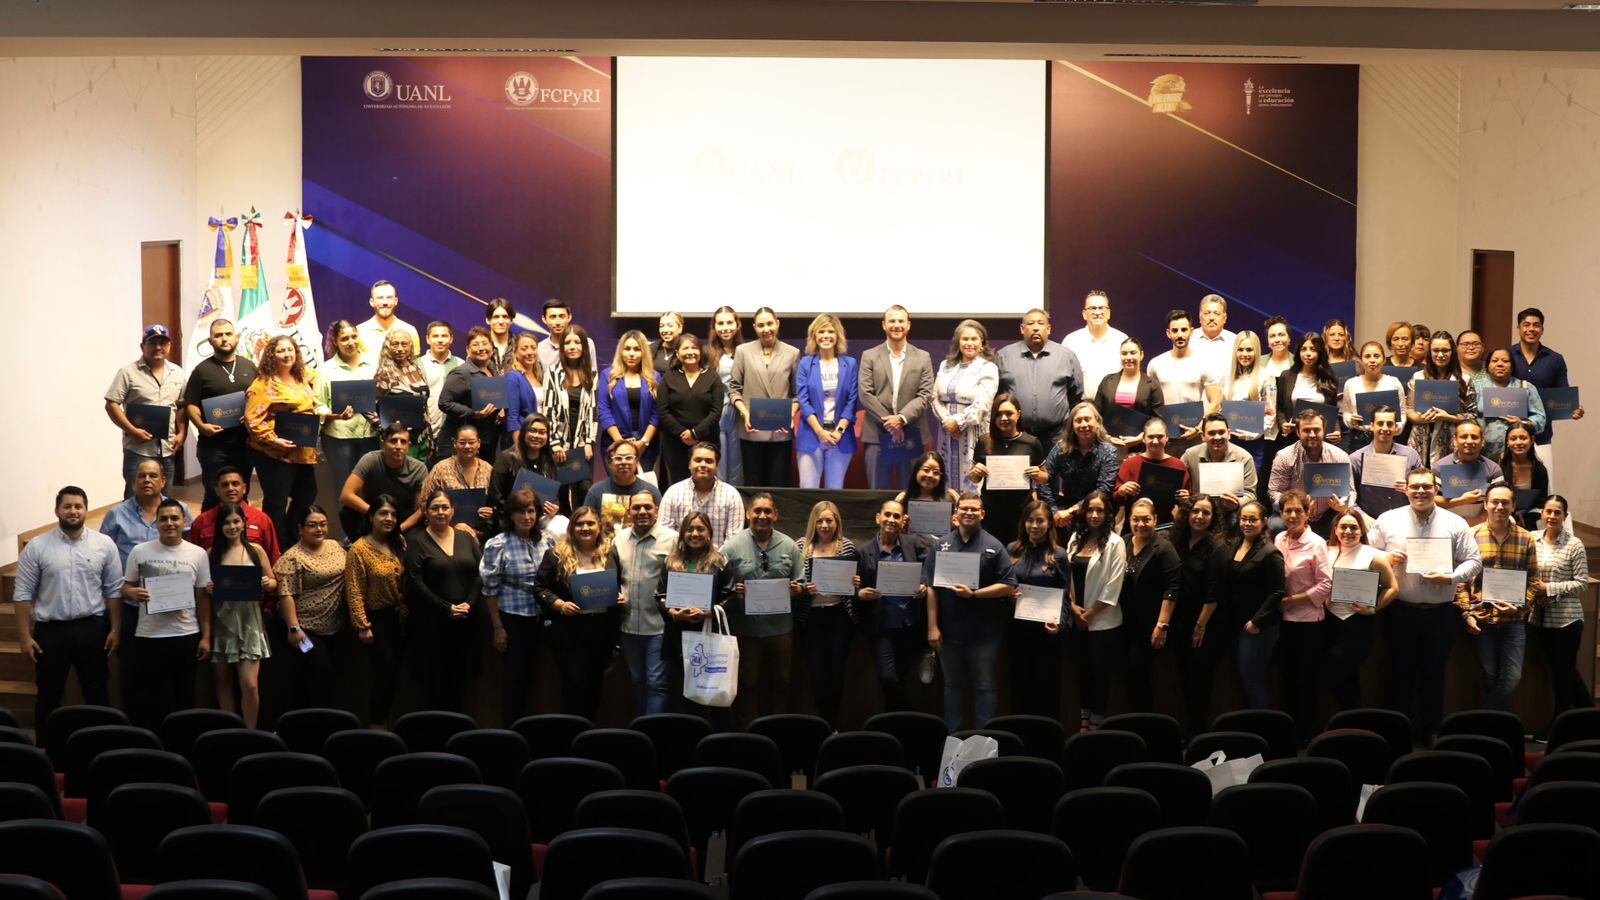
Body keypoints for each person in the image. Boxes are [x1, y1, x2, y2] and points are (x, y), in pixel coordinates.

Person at [1369, 468, 1482, 739]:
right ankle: (1399, 734)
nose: (1421, 491)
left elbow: (1474, 561)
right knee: (1399, 674)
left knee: (1434, 675)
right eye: (1415, 486)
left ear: (1436, 490)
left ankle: (1432, 731)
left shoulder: (1455, 523)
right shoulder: (1388, 520)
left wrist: (1452, 577)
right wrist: (1384, 557)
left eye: (1426, 487)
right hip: (1400, 611)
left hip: (1439, 613)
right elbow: (1366, 552)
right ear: (1405, 489)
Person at [13, 486, 123, 736]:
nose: (73, 511)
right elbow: (22, 594)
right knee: (49, 696)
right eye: (67, 506)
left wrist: (116, 628)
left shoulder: (104, 544)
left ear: (86, 509)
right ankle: (48, 756)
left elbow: (114, 590)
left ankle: (100, 748)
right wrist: (23, 636)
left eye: (78, 506)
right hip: (51, 632)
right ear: (57, 511)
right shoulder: (37, 547)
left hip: (93, 629)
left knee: (97, 693)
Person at [924, 492, 1018, 731]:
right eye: (964, 509)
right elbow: (932, 588)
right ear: (955, 514)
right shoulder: (941, 545)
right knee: (952, 685)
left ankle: (983, 741)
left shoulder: (994, 546)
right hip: (949, 632)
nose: (968, 512)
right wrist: (932, 626)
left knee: (985, 686)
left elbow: (1008, 585)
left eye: (974, 509)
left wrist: (975, 594)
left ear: (982, 514)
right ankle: (954, 741)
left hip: (985, 634)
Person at [100, 458, 192, 700]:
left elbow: (190, 550)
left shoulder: (178, 510)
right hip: (131, 606)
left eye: (153, 476)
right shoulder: (117, 514)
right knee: (133, 674)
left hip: (173, 607)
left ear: (163, 481)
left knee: (175, 677)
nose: (147, 480)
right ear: (133, 481)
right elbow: (103, 556)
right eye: (142, 476)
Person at [121, 498, 212, 730]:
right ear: (157, 523)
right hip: (149, 636)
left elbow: (202, 597)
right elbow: (124, 588)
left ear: (184, 522)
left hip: (186, 634)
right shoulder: (140, 552)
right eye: (163, 519)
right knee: (152, 697)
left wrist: (206, 636)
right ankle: (155, 746)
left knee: (185, 695)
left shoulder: (198, 554)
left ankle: (183, 746)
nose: (169, 523)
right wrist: (134, 593)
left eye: (174, 518)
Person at [720, 493, 804, 726]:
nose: (762, 516)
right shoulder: (732, 546)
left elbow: (802, 582)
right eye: (757, 511)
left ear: (775, 515)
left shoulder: (789, 545)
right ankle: (749, 731)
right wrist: (732, 590)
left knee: (781, 681)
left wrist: (797, 590)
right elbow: (720, 584)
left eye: (768, 511)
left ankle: (777, 727)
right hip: (746, 630)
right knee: (748, 683)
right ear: (748, 514)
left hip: (781, 630)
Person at [536, 506, 625, 720]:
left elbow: (619, 582)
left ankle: (587, 738)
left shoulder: (610, 552)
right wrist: (560, 604)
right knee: (574, 685)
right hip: (569, 633)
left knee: (595, 686)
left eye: (590, 523)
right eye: (580, 524)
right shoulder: (556, 554)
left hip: (601, 633)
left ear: (599, 527)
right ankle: (570, 737)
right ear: (572, 528)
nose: (585, 528)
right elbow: (539, 588)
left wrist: (620, 596)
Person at [1456, 484, 1537, 712]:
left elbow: (1533, 580)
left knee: (1512, 677)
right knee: (1490, 675)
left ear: (1513, 506)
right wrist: (1466, 612)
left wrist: (1520, 609)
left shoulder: (1526, 539)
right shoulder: (1472, 536)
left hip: (1514, 621)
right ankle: (1496, 726)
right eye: (1495, 502)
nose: (1499, 506)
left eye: (1505, 502)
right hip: (1482, 620)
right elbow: (1461, 580)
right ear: (1486, 504)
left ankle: (1482, 718)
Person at [481, 487, 556, 725]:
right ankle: (511, 732)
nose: (527, 517)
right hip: (513, 619)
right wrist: (498, 628)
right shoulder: (498, 544)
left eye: (531, 511)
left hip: (543, 619)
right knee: (514, 680)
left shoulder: (548, 540)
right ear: (510, 515)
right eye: (521, 512)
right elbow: (490, 589)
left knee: (538, 679)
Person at [406, 490, 484, 713]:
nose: (441, 512)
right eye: (435, 508)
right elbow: (414, 581)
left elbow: (481, 573)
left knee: (461, 681)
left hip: (466, 621)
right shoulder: (416, 540)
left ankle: (458, 735)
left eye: (445, 507)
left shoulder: (466, 537)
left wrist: (470, 602)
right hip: (432, 624)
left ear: (453, 511)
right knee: (435, 683)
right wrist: (446, 607)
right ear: (426, 512)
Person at [658, 511, 739, 726]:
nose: (695, 533)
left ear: (709, 533)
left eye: (700, 529)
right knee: (681, 695)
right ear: (683, 533)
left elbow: (731, 598)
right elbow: (660, 596)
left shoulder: (720, 562)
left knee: (709, 697)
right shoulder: (670, 562)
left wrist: (709, 612)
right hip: (678, 639)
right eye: (690, 529)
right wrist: (673, 612)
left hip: (708, 637)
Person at [246, 335, 322, 550]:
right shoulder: (262, 384)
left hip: (302, 452)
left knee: (307, 495)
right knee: (276, 503)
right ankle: (276, 548)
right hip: (275, 455)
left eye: (290, 350)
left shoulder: (302, 378)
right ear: (271, 354)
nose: (286, 354)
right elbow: (253, 421)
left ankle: (291, 538)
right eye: (280, 350)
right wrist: (274, 440)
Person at [855, 499, 929, 713]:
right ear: (878, 517)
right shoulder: (864, 551)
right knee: (888, 677)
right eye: (887, 514)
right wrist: (859, 593)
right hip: (881, 626)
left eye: (896, 516)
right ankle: (908, 715)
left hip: (909, 624)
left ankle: (893, 725)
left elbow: (929, 569)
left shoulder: (914, 544)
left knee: (902, 677)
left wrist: (924, 584)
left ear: (903, 521)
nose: (891, 519)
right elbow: (852, 585)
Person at [207, 501, 275, 729]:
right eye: (227, 522)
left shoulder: (256, 551)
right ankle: (230, 731)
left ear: (244, 523)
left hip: (250, 623)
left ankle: (251, 731)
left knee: (250, 685)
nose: (232, 526)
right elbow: (202, 590)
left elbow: (275, 582)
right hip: (221, 623)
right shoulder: (212, 554)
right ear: (220, 526)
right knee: (223, 683)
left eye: (236, 521)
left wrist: (268, 583)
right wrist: (209, 589)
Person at [1212, 500, 1285, 710]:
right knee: (1242, 679)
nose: (1247, 523)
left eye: (1253, 519)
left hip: (1258, 627)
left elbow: (1277, 592)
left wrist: (1256, 621)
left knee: (1253, 680)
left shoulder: (1270, 552)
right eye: (1244, 518)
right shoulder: (1235, 544)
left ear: (1264, 522)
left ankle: (1262, 729)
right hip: (1236, 623)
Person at [1530, 495, 1592, 738]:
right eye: (1548, 511)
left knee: (1562, 676)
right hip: (1540, 617)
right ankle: (1589, 716)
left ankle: (1559, 728)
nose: (1552, 516)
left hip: (1566, 619)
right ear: (1542, 514)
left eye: (1558, 512)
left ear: (1565, 517)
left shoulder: (1574, 544)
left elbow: (1581, 583)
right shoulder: (1533, 539)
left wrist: (1550, 589)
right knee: (1565, 672)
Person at [1324, 511, 1399, 711]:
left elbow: (1393, 588)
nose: (1348, 531)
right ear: (1335, 530)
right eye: (1343, 527)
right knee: (1348, 677)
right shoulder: (1326, 551)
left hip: (1358, 625)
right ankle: (1356, 725)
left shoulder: (1373, 555)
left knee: (1335, 677)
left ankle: (1356, 719)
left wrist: (1373, 609)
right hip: (1329, 622)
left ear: (1361, 530)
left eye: (1354, 527)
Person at [1064, 491, 1126, 731]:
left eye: (1100, 510)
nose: (1095, 515)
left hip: (1103, 622)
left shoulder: (1115, 542)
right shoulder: (1074, 539)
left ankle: (1097, 723)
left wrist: (1088, 614)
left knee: (1100, 675)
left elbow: (1114, 585)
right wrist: (1072, 608)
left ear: (1107, 513)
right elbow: (1065, 575)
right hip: (1075, 618)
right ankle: (1083, 719)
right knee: (1082, 672)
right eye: (1091, 510)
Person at [274, 506, 347, 711]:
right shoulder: (293, 557)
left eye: (323, 524)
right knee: (321, 672)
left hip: (335, 627)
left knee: (321, 678)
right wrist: (294, 628)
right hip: (306, 631)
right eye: (312, 525)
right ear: (300, 529)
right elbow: (285, 593)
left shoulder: (334, 546)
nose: (319, 529)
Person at [1274, 489, 1332, 741]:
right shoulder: (1278, 539)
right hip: (1283, 622)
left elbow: (1327, 584)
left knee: (1306, 679)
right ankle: (1291, 731)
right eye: (1288, 510)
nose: (1293, 515)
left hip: (1309, 621)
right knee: (1287, 676)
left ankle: (1307, 733)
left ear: (1307, 513)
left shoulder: (1316, 543)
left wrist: (1291, 601)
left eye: (1298, 510)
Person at [859, 305, 936, 491]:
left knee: (910, 491)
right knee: (877, 493)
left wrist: (901, 419)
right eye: (892, 321)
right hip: (878, 434)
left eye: (900, 321)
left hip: (911, 433)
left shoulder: (923, 357)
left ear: (908, 325)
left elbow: (925, 394)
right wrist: (890, 423)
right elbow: (865, 393)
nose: (896, 325)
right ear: (884, 325)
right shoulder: (869, 356)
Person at [183, 318, 258, 510]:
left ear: (236, 337)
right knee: (214, 494)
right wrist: (201, 426)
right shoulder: (201, 371)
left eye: (228, 334)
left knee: (242, 493)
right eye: (218, 335)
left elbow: (259, 401)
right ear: (210, 341)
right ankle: (210, 539)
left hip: (245, 444)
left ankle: (241, 535)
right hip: (213, 446)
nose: (224, 339)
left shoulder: (249, 367)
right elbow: (191, 404)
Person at [105, 324, 187, 498]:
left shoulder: (178, 373)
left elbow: (181, 406)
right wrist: (132, 431)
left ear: (169, 346)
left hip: (167, 450)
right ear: (143, 347)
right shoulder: (128, 372)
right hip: (138, 451)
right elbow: (112, 404)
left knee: (164, 502)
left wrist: (182, 433)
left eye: (163, 343)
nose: (158, 347)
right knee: (134, 501)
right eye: (152, 343)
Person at [797, 501, 860, 727]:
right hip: (812, 617)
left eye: (829, 521)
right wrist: (805, 588)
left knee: (836, 672)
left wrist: (855, 583)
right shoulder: (801, 546)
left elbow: (856, 588)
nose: (824, 525)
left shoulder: (847, 547)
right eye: (820, 520)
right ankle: (823, 724)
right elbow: (795, 583)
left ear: (837, 523)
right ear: (813, 522)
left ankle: (832, 725)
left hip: (839, 617)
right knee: (817, 674)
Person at [1006, 500, 1071, 718]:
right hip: (1018, 631)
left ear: (1049, 524)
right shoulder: (1012, 550)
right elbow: (1004, 588)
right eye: (1030, 520)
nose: (1034, 526)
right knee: (1020, 687)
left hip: (1046, 632)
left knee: (1046, 691)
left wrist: (1060, 625)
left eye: (1040, 521)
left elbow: (1065, 596)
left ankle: (1046, 744)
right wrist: (1009, 596)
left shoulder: (1059, 555)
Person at [345, 496, 407, 727]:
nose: (389, 518)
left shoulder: (398, 542)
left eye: (393, 514)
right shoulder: (360, 549)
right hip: (375, 620)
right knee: (384, 674)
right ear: (371, 516)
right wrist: (363, 626)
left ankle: (391, 723)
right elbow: (354, 590)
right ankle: (377, 726)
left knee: (397, 675)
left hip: (399, 618)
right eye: (383, 513)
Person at [614, 491, 675, 717]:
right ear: (629, 511)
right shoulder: (618, 539)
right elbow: (613, 575)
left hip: (658, 625)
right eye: (637, 508)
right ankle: (642, 733)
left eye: (647, 507)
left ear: (656, 510)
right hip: (628, 625)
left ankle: (654, 734)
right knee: (638, 681)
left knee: (656, 683)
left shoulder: (672, 539)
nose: (642, 512)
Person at [1169, 495, 1225, 734]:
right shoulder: (1178, 541)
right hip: (1181, 622)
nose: (1199, 517)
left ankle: (1198, 736)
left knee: (1200, 683)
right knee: (1185, 680)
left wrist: (1200, 626)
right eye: (1195, 511)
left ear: (1213, 518)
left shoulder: (1217, 547)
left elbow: (1215, 591)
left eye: (1206, 513)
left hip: (1206, 626)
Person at [1121, 498, 1182, 713]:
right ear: (1129, 520)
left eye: (1146, 519)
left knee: (1141, 676)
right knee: (1128, 676)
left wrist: (1162, 625)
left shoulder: (1164, 548)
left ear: (1155, 519)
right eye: (1136, 519)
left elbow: (1172, 589)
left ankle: (1144, 725)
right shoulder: (1125, 542)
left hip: (1149, 626)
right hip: (1124, 623)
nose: (1141, 524)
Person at [731, 307, 801, 487]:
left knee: (779, 483)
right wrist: (745, 413)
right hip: (751, 429)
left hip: (780, 431)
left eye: (770, 323)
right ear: (754, 327)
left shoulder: (792, 353)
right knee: (753, 483)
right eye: (761, 325)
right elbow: (734, 388)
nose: (766, 329)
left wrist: (790, 415)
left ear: (777, 323)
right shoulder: (742, 351)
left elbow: (797, 394)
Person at [996, 307, 1084, 447]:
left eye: (1040, 323)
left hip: (1056, 435)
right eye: (1031, 324)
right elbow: (997, 396)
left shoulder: (1066, 356)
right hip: (1016, 433)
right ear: (1022, 329)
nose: (1036, 328)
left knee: (1053, 470)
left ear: (1048, 329)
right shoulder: (1004, 356)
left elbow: (1076, 396)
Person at [967, 394, 1047, 546]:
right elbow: (974, 478)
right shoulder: (984, 441)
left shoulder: (1031, 442)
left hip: (1021, 512)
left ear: (1018, 414)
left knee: (1018, 555)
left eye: (1009, 413)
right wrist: (975, 472)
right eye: (998, 414)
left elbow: (1045, 477)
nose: (1003, 418)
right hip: (991, 513)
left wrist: (1038, 474)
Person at [319, 320, 381, 500]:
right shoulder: (326, 369)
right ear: (335, 341)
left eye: (354, 336)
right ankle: (348, 529)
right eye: (344, 338)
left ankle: (369, 528)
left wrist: (381, 411)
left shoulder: (374, 364)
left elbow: (384, 395)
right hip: (339, 438)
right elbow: (318, 405)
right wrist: (336, 415)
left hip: (370, 434)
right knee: (344, 487)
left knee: (370, 487)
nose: (351, 342)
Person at [796, 314, 859, 490]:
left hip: (840, 437)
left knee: (835, 490)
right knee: (808, 490)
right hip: (811, 435)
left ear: (838, 335)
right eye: (821, 331)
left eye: (830, 331)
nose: (826, 335)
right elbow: (803, 400)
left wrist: (838, 432)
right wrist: (820, 431)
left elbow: (852, 400)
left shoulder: (850, 363)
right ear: (814, 336)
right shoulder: (806, 363)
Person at [1267, 411, 1354, 536]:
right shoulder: (1285, 457)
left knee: (1346, 524)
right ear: (1297, 432)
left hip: (1328, 514)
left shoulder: (1339, 456)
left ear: (1324, 430)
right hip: (1294, 513)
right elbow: (1274, 491)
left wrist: (1343, 505)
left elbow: (1350, 491)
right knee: (1275, 525)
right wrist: (1295, 506)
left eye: (1316, 430)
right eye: (1307, 430)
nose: (1312, 435)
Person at [543, 324, 600, 513]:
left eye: (577, 342)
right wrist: (556, 443)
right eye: (568, 342)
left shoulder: (591, 375)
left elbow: (593, 410)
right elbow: (549, 409)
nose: (572, 346)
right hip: (559, 444)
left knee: (583, 489)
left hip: (583, 444)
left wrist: (589, 442)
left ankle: (580, 528)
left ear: (584, 346)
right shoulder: (553, 372)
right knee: (560, 492)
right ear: (562, 347)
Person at [1037, 402, 1119, 529]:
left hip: (1097, 513)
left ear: (1097, 422)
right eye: (1078, 421)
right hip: (1063, 514)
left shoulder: (1109, 451)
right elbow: (1043, 479)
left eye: (1087, 419)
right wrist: (1054, 511)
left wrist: (1072, 512)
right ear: (1072, 426)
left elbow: (1104, 489)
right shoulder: (1061, 448)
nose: (1084, 425)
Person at [1510, 306, 1584, 444]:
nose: (1531, 329)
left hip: (1541, 435)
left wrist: (1573, 409)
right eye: (1526, 325)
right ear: (1518, 328)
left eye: (1536, 325)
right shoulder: (1506, 356)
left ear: (1542, 330)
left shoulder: (1555, 359)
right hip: (1510, 434)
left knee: (1543, 467)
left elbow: (1563, 395)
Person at [339, 422, 428, 539]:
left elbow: (421, 509)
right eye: (393, 441)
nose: (398, 446)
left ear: (408, 446)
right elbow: (346, 496)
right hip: (373, 515)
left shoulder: (419, 468)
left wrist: (399, 529)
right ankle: (361, 549)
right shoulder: (370, 459)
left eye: (403, 442)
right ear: (384, 443)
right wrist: (378, 515)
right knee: (347, 513)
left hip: (402, 521)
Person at [659, 334, 725, 488]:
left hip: (707, 439)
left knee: (706, 484)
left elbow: (716, 411)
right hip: (675, 442)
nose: (690, 352)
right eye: (685, 348)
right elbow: (663, 410)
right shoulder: (669, 377)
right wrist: (683, 433)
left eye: (694, 348)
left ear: (700, 352)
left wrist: (695, 433)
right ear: (677, 353)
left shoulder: (712, 377)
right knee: (679, 485)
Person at [1206, 331, 1276, 474]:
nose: (1245, 354)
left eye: (1249, 349)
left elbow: (1271, 414)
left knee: (1250, 486)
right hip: (1229, 441)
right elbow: (1220, 410)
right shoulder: (1226, 377)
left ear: (1256, 351)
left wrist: (1255, 433)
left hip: (1255, 443)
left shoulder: (1266, 376)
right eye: (1240, 349)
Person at [1406, 330, 1479, 465]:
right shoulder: (1418, 377)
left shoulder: (1465, 380)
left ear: (1452, 352)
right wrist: (1421, 419)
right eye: (1436, 350)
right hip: (1420, 439)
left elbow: (1472, 416)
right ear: (1430, 352)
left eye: (1445, 351)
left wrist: (1447, 417)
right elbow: (1409, 409)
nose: (1440, 355)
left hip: (1450, 441)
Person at [438, 326, 506, 464]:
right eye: (475, 345)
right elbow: (444, 403)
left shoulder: (493, 371)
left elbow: (494, 398)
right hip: (461, 442)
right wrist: (473, 413)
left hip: (486, 441)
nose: (481, 348)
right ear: (468, 350)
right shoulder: (462, 373)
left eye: (485, 344)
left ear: (492, 348)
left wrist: (502, 409)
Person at [186, 466, 281, 563]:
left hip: (253, 577)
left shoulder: (262, 519)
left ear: (244, 488)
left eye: (235, 484)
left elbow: (274, 558)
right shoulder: (201, 521)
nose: (230, 488)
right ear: (217, 490)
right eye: (225, 485)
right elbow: (192, 559)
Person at [660, 442, 744, 548]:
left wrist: (715, 561)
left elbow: (733, 539)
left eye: (709, 461)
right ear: (689, 464)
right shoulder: (673, 493)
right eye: (698, 460)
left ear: (717, 466)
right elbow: (665, 535)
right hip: (680, 561)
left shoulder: (731, 495)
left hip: (719, 561)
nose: (703, 465)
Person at [487, 415, 565, 527]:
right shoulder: (506, 458)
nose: (537, 436)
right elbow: (495, 496)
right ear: (523, 432)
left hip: (541, 518)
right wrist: (517, 514)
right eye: (532, 431)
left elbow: (554, 495)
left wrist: (555, 507)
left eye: (542, 432)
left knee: (563, 527)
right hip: (511, 519)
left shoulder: (549, 460)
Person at [420, 424, 496, 538]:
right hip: (446, 532)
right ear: (455, 444)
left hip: (482, 535)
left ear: (479, 443)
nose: (467, 446)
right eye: (462, 442)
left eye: (471, 442)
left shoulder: (488, 469)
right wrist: (450, 525)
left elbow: (496, 503)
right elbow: (425, 504)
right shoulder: (441, 469)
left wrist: (491, 513)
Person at [1348, 406, 1423, 522]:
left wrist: (1410, 488)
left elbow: (1422, 490)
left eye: (1389, 424)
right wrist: (1363, 518)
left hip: (1405, 521)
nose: (1385, 428)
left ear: (1396, 427)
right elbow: (1350, 498)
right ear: (1372, 426)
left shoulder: (1411, 455)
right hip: (1370, 522)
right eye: (1380, 423)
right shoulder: (1355, 459)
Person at [1145, 311, 1215, 432]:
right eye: (1175, 330)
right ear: (1168, 333)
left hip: (1195, 432)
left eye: (1184, 329)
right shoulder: (1155, 364)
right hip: (1166, 434)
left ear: (1191, 331)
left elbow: (1215, 402)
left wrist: (1200, 426)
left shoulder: (1204, 362)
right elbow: (1150, 403)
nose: (1180, 334)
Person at [1113, 418, 1191, 527]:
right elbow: (1115, 499)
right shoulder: (1130, 464)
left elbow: (1188, 501)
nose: (1155, 441)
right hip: (1135, 527)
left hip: (1166, 527)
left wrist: (1186, 499)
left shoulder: (1178, 466)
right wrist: (1122, 491)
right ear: (1143, 438)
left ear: (1167, 437)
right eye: (1151, 437)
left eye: (1160, 436)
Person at [598, 329, 660, 467]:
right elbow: (604, 410)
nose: (631, 354)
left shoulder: (654, 377)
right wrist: (621, 444)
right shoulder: (608, 375)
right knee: (617, 487)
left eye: (637, 349)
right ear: (621, 351)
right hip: (614, 443)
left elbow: (657, 413)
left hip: (646, 447)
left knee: (642, 488)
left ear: (643, 352)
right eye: (627, 349)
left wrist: (643, 442)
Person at [375, 328, 435, 460]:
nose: (400, 348)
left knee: (422, 476)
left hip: (423, 435)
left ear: (411, 346)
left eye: (404, 344)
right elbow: (370, 407)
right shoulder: (385, 373)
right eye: (395, 344)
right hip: (400, 440)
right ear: (388, 347)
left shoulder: (416, 367)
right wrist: (387, 429)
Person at [1094, 337, 1165, 449]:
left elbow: (1158, 419)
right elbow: (1096, 414)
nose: (1128, 357)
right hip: (1108, 446)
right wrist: (1107, 438)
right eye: (1124, 353)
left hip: (1141, 447)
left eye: (1133, 353)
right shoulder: (1107, 381)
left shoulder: (1152, 385)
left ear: (1141, 355)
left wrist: (1141, 438)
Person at [1181, 413, 1257, 516]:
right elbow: (1180, 487)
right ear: (1203, 436)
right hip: (1199, 512)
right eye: (1211, 433)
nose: (1217, 437)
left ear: (1229, 434)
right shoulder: (1190, 456)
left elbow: (1250, 494)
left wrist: (1237, 503)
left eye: (1221, 432)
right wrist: (1185, 496)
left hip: (1230, 512)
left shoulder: (1244, 458)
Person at [1478, 348, 1547, 460]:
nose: (1500, 364)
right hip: (1483, 454)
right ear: (1488, 365)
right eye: (1495, 361)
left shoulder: (1525, 387)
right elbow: (1467, 416)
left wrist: (1523, 423)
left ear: (1512, 366)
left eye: (1505, 361)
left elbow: (1541, 418)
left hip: (1518, 452)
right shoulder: (1476, 387)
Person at [1275, 332, 1343, 445]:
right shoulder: (1287, 376)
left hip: (1320, 440)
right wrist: (1283, 423)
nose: (1308, 354)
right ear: (1298, 352)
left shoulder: (1329, 378)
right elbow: (1280, 409)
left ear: (1320, 353)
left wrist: (1336, 431)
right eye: (1304, 349)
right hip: (1293, 439)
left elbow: (1333, 412)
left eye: (1313, 349)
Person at [1341, 340, 1406, 454]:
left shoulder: (1393, 383)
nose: (1372, 360)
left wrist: (1397, 429)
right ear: (1361, 360)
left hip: (1387, 438)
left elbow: (1402, 413)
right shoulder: (1351, 384)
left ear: (1384, 360)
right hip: (1358, 439)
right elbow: (1346, 412)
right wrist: (1350, 420)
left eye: (1376, 356)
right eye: (1367, 356)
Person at [1434, 420, 1505, 525]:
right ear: (1455, 441)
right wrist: (1462, 500)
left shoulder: (1494, 469)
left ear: (1482, 442)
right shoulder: (1441, 466)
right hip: (1448, 525)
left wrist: (1474, 524)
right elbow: (1433, 499)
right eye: (1464, 437)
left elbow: (1498, 503)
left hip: (1482, 525)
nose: (1469, 441)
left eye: (1474, 437)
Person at [706, 306, 746, 485]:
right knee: (719, 462)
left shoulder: (747, 351)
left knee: (738, 464)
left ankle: (737, 505)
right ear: (714, 327)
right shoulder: (708, 353)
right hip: (717, 414)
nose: (725, 327)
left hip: (741, 413)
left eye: (729, 322)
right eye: (720, 323)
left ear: (737, 324)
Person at [1062, 290, 1130, 394]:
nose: (1097, 312)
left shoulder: (1122, 340)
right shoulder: (1071, 341)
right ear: (1084, 314)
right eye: (1092, 308)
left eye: (1101, 308)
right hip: (1082, 407)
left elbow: (1130, 377)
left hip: (1114, 407)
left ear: (1109, 313)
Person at [584, 440, 662, 528]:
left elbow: (660, 526)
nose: (623, 462)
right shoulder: (595, 492)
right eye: (618, 458)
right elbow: (586, 524)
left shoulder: (651, 492)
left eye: (628, 458)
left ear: (636, 461)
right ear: (610, 463)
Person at [418, 320, 463, 454]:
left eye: (444, 336)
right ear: (427, 339)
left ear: (451, 339)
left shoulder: (461, 364)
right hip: (424, 431)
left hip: (452, 431)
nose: (440, 340)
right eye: (435, 336)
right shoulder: (417, 365)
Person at [356, 280, 420, 364]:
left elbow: (415, 365)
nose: (385, 302)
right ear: (372, 302)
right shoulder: (359, 331)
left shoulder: (410, 330)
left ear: (395, 301)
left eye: (389, 297)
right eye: (380, 298)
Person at [1500, 422, 1550, 529]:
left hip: (1530, 519)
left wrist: (1526, 516)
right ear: (1507, 442)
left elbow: (1541, 501)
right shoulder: (1500, 467)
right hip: (1502, 515)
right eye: (1513, 438)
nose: (1518, 442)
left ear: (1532, 440)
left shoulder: (1539, 470)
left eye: (1523, 438)